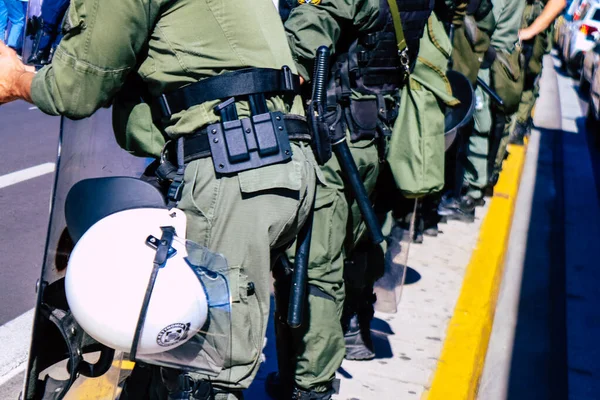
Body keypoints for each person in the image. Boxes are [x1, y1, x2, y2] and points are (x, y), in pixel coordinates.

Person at [0, 0, 319, 398]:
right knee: (175, 352)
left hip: (233, 162)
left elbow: (74, 89)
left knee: (199, 373)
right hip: (277, 155)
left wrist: (15, 78)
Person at [268, 0, 433, 398]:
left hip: (334, 141)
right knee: (358, 245)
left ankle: (311, 384)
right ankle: (356, 332)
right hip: (380, 135)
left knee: (315, 268)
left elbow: (297, 48)